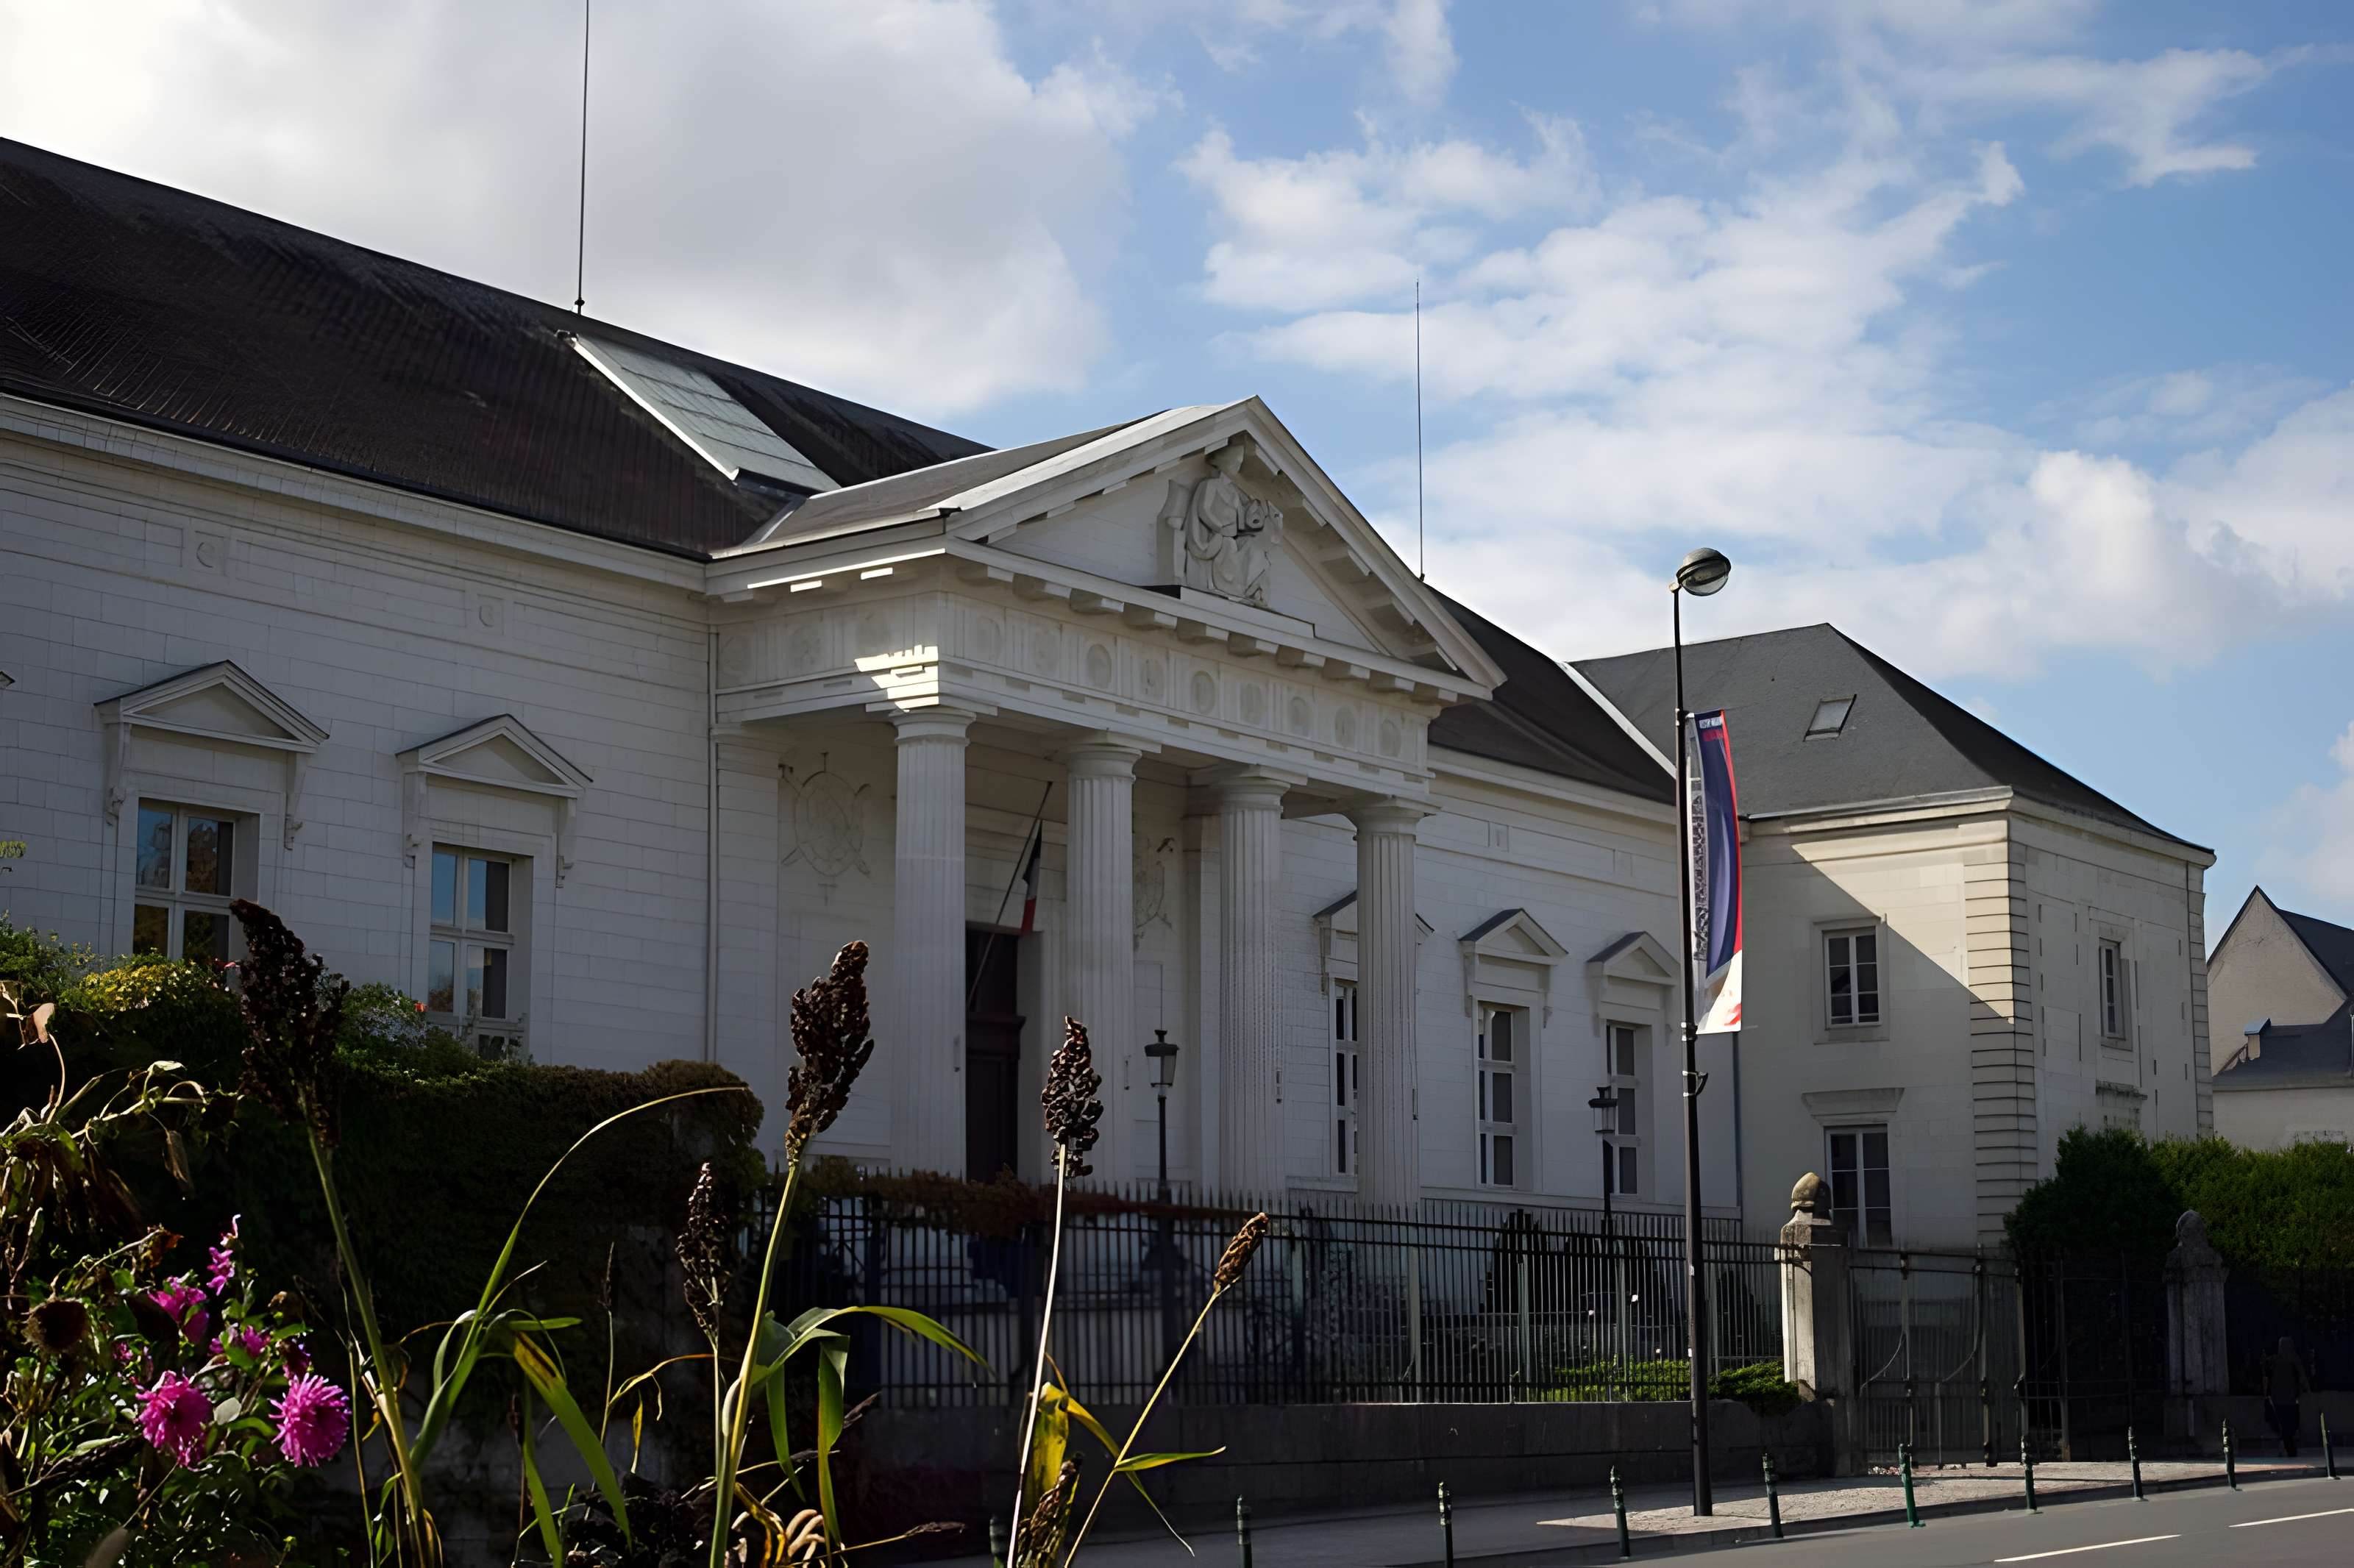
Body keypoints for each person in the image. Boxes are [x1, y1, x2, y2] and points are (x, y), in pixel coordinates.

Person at [2264, 1335, 2310, 1457]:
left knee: (2283, 1425)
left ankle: (2285, 1447)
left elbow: (2267, 1378)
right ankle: (2289, 1448)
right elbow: (2302, 1377)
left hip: (2280, 1399)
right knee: (2289, 1425)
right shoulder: (2293, 1359)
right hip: (2289, 1400)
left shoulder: (2274, 1360)